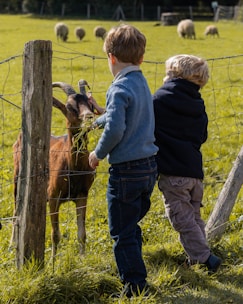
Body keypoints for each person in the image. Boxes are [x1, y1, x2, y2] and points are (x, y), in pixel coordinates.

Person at [88, 24, 158, 297]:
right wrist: (99, 120)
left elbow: (116, 129)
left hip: (126, 172)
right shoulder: (141, 82)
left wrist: (97, 153)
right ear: (140, 58)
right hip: (149, 166)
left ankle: (135, 286)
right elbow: (120, 115)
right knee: (131, 226)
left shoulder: (118, 88)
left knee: (121, 231)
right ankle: (136, 271)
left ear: (111, 58)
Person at [153, 54, 222, 274]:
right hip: (194, 172)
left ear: (174, 74)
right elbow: (202, 136)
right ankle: (198, 256)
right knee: (193, 217)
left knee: (181, 220)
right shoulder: (197, 102)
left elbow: (148, 125)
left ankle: (205, 258)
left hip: (173, 173)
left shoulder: (160, 99)